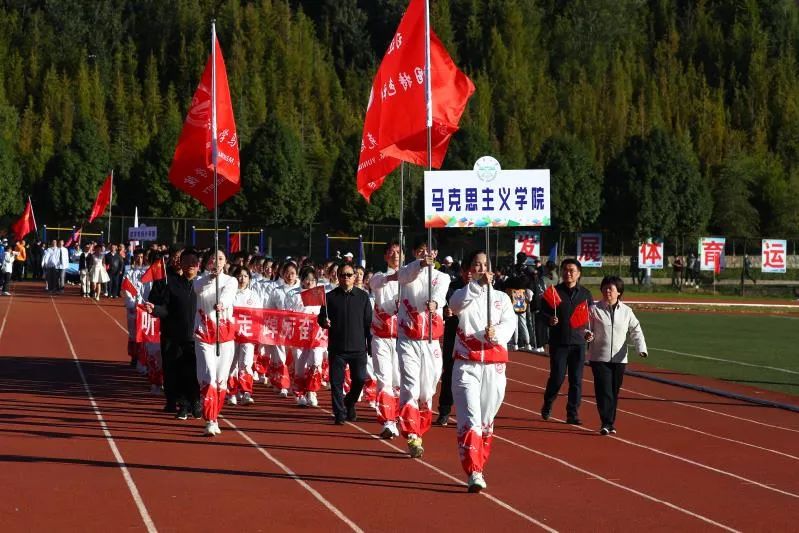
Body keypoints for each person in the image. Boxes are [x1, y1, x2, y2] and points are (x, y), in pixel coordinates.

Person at [448, 250, 516, 492]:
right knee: (471, 420)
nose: (481, 268)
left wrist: (495, 333)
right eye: (476, 265)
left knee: (486, 421)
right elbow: (455, 306)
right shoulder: (462, 295)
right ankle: (474, 470)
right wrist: (476, 286)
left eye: (485, 264)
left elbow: (510, 323)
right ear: (469, 270)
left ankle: (480, 464)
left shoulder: (501, 298)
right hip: (467, 365)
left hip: (495, 367)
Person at [397, 237, 450, 458]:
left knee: (427, 390)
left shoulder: (442, 277)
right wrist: (420, 265)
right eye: (420, 251)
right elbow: (404, 275)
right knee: (410, 385)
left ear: (436, 253)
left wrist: (435, 304)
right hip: (408, 339)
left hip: (431, 341)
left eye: (429, 251)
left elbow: (439, 295)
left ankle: (420, 427)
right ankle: (412, 435)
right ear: (414, 253)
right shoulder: (408, 273)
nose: (425, 254)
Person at [585, 276, 647, 435]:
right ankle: (606, 422)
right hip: (599, 357)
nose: (607, 292)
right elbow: (585, 327)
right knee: (604, 390)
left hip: (619, 359)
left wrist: (641, 348)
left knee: (614, 391)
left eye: (611, 289)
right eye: (604, 288)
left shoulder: (627, 311)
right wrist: (587, 334)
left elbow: (636, 330)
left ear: (618, 292)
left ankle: (609, 423)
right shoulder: (594, 309)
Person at [146, 249, 202, 419]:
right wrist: (155, 309)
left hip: (198, 338)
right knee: (179, 372)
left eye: (193, 262)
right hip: (176, 337)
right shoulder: (173, 285)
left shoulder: (203, 286)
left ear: (198, 265)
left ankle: (196, 402)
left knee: (195, 372)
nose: (189, 265)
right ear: (181, 265)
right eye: (185, 262)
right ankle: (183, 405)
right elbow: (166, 309)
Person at [540, 259, 593, 425]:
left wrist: (590, 334)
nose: (567, 273)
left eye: (571, 270)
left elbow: (591, 318)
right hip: (559, 342)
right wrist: (550, 319)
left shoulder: (585, 294)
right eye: (565, 270)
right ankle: (548, 403)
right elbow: (541, 313)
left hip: (578, 343)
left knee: (576, 380)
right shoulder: (553, 293)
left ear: (578, 273)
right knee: (557, 377)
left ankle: (572, 413)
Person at [318, 263, 372, 424]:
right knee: (336, 383)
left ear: (355, 277)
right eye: (342, 275)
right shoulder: (330, 297)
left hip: (358, 348)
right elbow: (321, 318)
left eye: (349, 275)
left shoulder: (363, 297)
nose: (346, 278)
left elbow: (368, 323)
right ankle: (339, 413)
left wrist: (370, 344)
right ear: (338, 277)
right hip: (337, 348)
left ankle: (349, 402)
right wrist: (324, 322)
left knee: (360, 379)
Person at [193, 249, 238, 436]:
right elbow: (199, 289)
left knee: (221, 381)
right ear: (207, 262)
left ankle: (215, 416)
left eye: (220, 259)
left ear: (226, 262)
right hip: (204, 335)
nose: (217, 262)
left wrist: (223, 304)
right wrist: (211, 278)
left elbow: (227, 296)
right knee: (209, 376)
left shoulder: (231, 280)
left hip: (225, 336)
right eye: (214, 259)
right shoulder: (199, 280)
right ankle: (210, 419)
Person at [370, 241, 402, 438]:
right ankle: (388, 421)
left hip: (403, 339)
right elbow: (375, 284)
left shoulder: (410, 280)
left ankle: (398, 416)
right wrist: (394, 277)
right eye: (392, 252)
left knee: (399, 381)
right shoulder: (379, 277)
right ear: (385, 256)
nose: (395, 255)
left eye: (399, 252)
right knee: (384, 379)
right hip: (381, 337)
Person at [434, 259, 469, 427]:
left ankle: (471, 414)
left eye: (472, 269)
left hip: (473, 338)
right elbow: (440, 304)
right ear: (462, 271)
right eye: (466, 270)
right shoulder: (453, 287)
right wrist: (445, 312)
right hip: (453, 336)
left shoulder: (484, 290)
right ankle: (444, 411)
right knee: (448, 372)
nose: (469, 273)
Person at [289, 266, 325, 407]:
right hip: (300, 333)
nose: (309, 283)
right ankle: (299, 392)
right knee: (300, 363)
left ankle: (311, 391)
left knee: (316, 361)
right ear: (302, 280)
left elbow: (325, 313)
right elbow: (289, 314)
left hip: (317, 334)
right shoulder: (294, 295)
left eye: (312, 280)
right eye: (306, 279)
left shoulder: (320, 294)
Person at [228, 266, 258, 406]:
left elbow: (259, 315)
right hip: (231, 334)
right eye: (239, 276)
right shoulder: (229, 293)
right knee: (232, 363)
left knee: (246, 362)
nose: (242, 279)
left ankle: (246, 392)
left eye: (245, 276)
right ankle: (231, 392)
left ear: (249, 279)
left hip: (247, 335)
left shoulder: (253, 295)